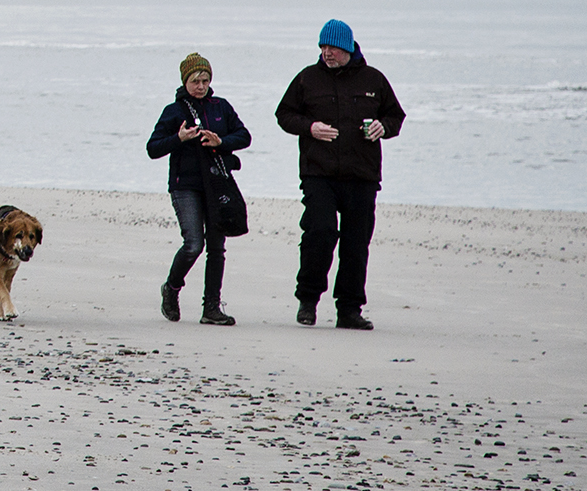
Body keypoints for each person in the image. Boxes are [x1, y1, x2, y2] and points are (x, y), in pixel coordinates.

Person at [274, 18, 405, 331]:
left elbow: (395, 117)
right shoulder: (307, 78)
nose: (326, 53)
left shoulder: (374, 79)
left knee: (356, 244)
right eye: (322, 47)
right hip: (319, 173)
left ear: (347, 48)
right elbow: (284, 114)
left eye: (332, 47)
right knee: (319, 233)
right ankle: (308, 301)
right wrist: (310, 127)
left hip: (362, 175)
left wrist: (382, 127)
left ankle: (349, 310)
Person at [147, 52, 251, 325]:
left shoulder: (221, 107)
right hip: (185, 186)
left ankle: (211, 309)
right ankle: (171, 288)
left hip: (216, 183)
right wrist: (178, 138)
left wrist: (221, 141)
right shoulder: (174, 111)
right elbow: (153, 148)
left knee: (217, 247)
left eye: (205, 80)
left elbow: (244, 136)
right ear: (186, 81)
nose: (201, 86)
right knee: (194, 244)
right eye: (196, 81)